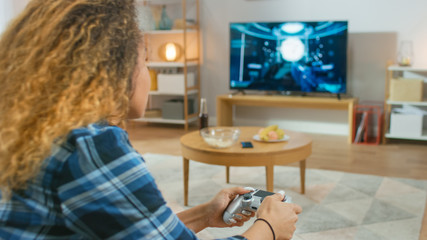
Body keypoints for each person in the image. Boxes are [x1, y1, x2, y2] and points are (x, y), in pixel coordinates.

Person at [0, 0, 302, 239]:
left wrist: (204, 216)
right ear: (114, 71)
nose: (147, 74)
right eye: (145, 61)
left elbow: (131, 231)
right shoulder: (92, 148)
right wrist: (268, 230)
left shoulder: (41, 133)